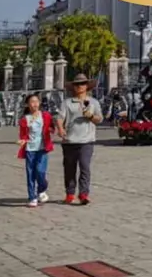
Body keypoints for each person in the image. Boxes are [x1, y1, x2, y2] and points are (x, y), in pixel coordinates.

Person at [57, 73, 102, 205]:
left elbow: (99, 119)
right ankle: (70, 193)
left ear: (87, 86)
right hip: (69, 140)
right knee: (69, 168)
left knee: (84, 166)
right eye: (77, 84)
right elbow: (60, 118)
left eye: (82, 84)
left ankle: (83, 194)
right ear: (73, 87)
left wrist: (91, 116)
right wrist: (60, 129)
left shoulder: (93, 102)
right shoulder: (67, 103)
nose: (79, 86)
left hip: (87, 141)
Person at [16, 93, 55, 207]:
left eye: (36, 101)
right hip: (30, 149)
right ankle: (32, 197)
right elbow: (23, 135)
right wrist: (22, 141)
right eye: (32, 102)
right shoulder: (24, 119)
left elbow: (52, 127)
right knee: (30, 173)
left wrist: (51, 130)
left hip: (43, 148)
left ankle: (42, 189)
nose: (34, 104)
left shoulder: (46, 115)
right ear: (27, 105)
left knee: (40, 171)